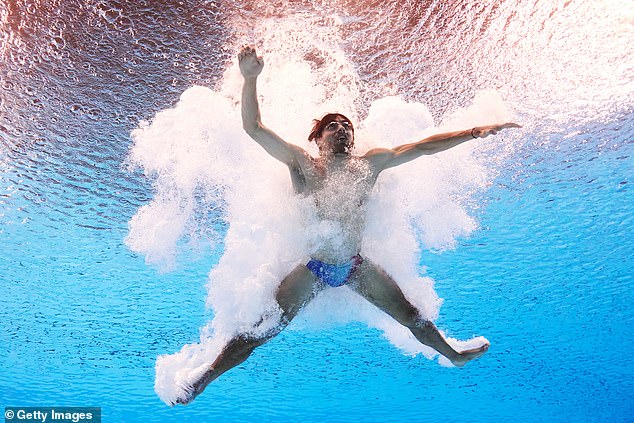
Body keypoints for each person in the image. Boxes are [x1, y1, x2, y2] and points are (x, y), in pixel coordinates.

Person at [174, 46, 520, 405]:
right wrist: (250, 78)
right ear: (318, 138)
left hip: (356, 266)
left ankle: (452, 354)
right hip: (313, 269)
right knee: (260, 331)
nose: (341, 130)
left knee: (412, 316)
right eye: (332, 126)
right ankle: (204, 376)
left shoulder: (368, 164)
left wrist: (475, 131)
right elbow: (253, 127)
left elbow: (422, 148)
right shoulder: (301, 164)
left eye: (346, 126)